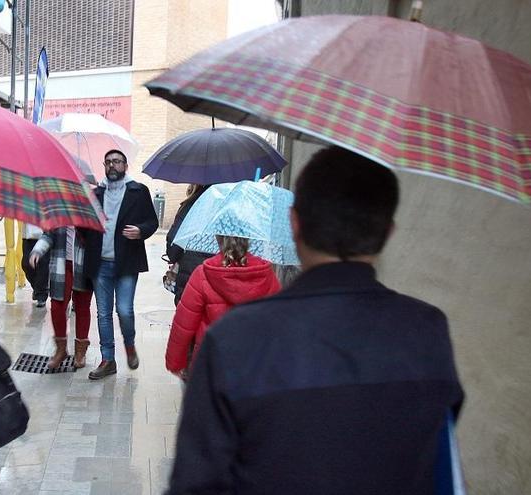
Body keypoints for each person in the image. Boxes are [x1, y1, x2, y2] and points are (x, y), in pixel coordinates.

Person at [167, 146, 464, 494]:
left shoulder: (234, 338)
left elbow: (197, 482)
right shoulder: (426, 330)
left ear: (294, 223)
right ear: (388, 233)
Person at [83, 149, 159, 380]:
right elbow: (83, 228)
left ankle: (129, 344)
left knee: (124, 310)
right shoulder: (95, 194)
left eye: (116, 161)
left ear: (125, 166)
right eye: (107, 162)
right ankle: (108, 360)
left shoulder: (138, 191)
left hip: (126, 262)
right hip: (100, 263)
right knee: (103, 314)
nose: (112, 166)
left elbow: (152, 222)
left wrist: (141, 231)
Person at [165, 235, 280, 378]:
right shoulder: (267, 275)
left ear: (218, 239)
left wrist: (175, 362)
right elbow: (278, 324)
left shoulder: (203, 274)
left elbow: (183, 324)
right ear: (250, 239)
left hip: (210, 365)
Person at [29, 226, 95, 369]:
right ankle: (61, 349)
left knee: (83, 307)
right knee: (57, 306)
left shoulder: (89, 209)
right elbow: (48, 234)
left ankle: (80, 351)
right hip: (61, 264)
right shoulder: (59, 210)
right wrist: (37, 251)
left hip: (83, 264)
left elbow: (98, 236)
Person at [164, 184, 213, 305]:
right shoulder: (235, 206)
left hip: (190, 276)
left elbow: (174, 245)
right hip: (223, 279)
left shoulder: (191, 205)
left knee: (187, 319)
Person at [21, 223, 49, 307]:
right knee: (26, 264)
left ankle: (41, 295)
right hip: (28, 236)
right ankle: (37, 289)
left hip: (44, 236)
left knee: (43, 266)